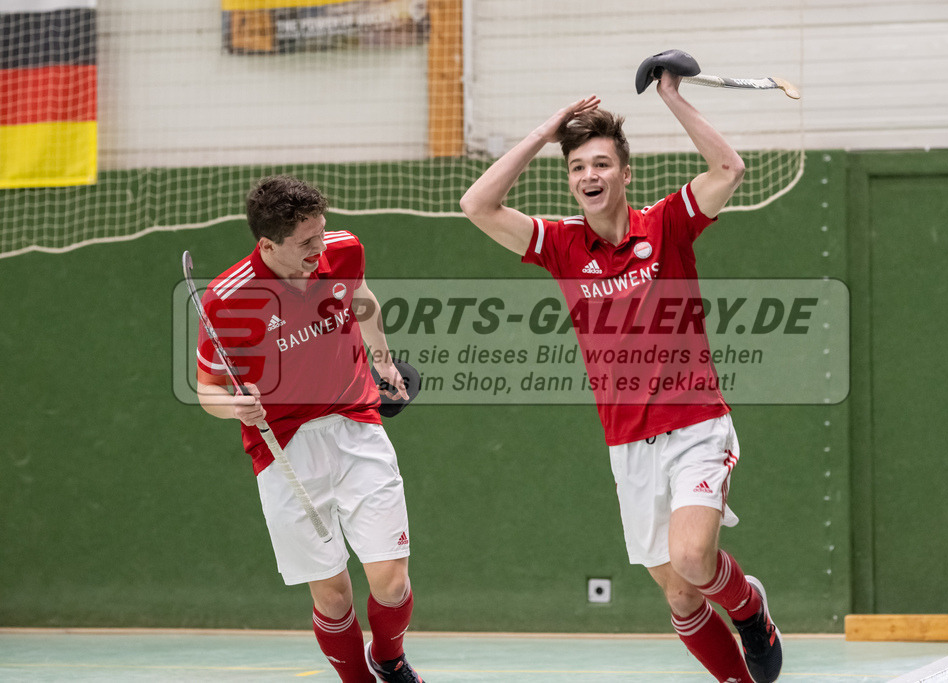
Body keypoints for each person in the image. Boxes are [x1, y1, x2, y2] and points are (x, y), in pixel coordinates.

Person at [459, 72, 783, 683]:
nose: (589, 175)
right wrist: (543, 133)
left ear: (625, 174)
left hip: (694, 422)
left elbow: (729, 169)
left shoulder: (665, 225)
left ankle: (749, 609)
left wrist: (672, 98)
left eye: (602, 164)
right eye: (578, 167)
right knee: (681, 595)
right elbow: (477, 205)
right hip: (627, 441)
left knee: (694, 558)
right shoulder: (560, 245)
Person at [194, 175, 425, 683]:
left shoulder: (342, 250)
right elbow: (206, 389)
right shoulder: (228, 299)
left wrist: (382, 359)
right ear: (267, 245)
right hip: (283, 450)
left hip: (356, 425)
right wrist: (236, 408)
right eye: (306, 242)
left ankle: (388, 658)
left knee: (391, 583)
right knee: (334, 596)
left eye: (321, 232)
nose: (319, 248)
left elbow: (361, 295)